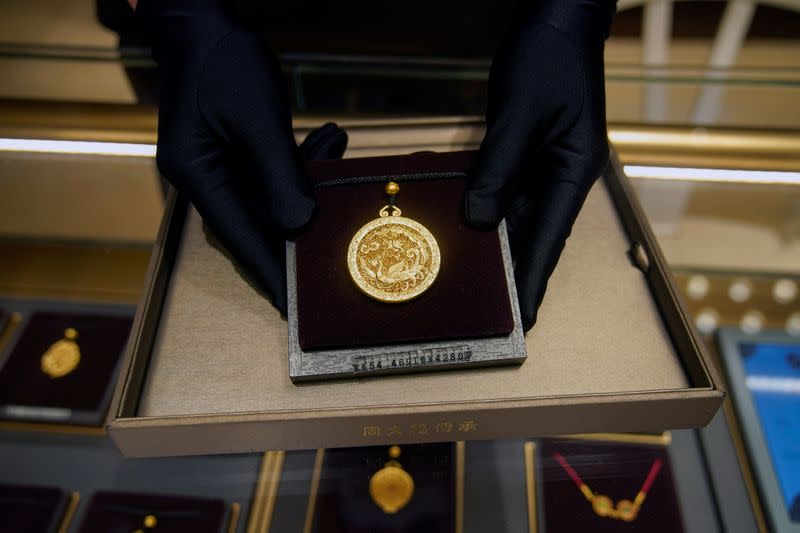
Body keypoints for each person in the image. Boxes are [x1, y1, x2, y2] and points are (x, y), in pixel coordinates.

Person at [118, 0, 615, 331]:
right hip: (237, 21)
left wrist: (573, 12)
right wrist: (175, 12)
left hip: (478, 39)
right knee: (224, 192)